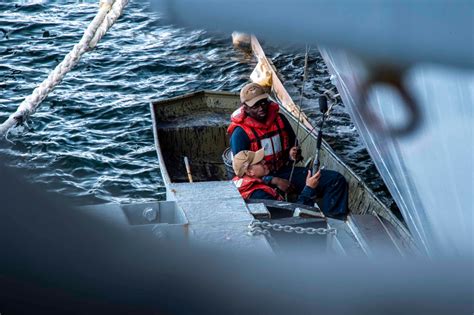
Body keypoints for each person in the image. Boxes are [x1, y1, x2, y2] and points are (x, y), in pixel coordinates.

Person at [228, 82, 348, 217]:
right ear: (245, 108)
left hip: (284, 171)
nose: (261, 108)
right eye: (255, 106)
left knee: (336, 180)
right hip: (261, 180)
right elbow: (242, 170)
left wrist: (293, 154)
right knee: (286, 211)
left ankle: (334, 221)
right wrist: (274, 181)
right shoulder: (240, 133)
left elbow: (293, 143)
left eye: (263, 102)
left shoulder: (279, 118)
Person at [232, 149, 321, 207]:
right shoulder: (260, 196)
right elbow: (291, 216)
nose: (264, 162)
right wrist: (309, 188)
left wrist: (274, 180)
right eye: (259, 162)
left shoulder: (241, 182)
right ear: (249, 171)